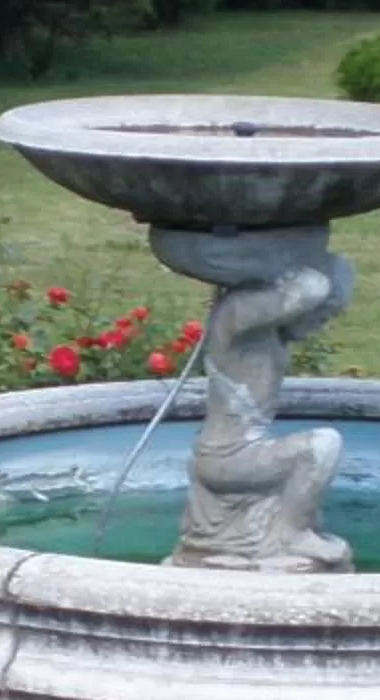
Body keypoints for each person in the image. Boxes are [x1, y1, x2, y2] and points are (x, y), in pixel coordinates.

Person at [150, 227, 355, 571]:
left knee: (312, 452)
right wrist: (287, 254)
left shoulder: (268, 335)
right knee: (321, 447)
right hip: (226, 457)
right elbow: (310, 289)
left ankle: (287, 530)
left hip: (243, 453)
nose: (319, 325)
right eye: (322, 316)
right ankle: (291, 534)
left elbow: (310, 290)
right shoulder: (234, 319)